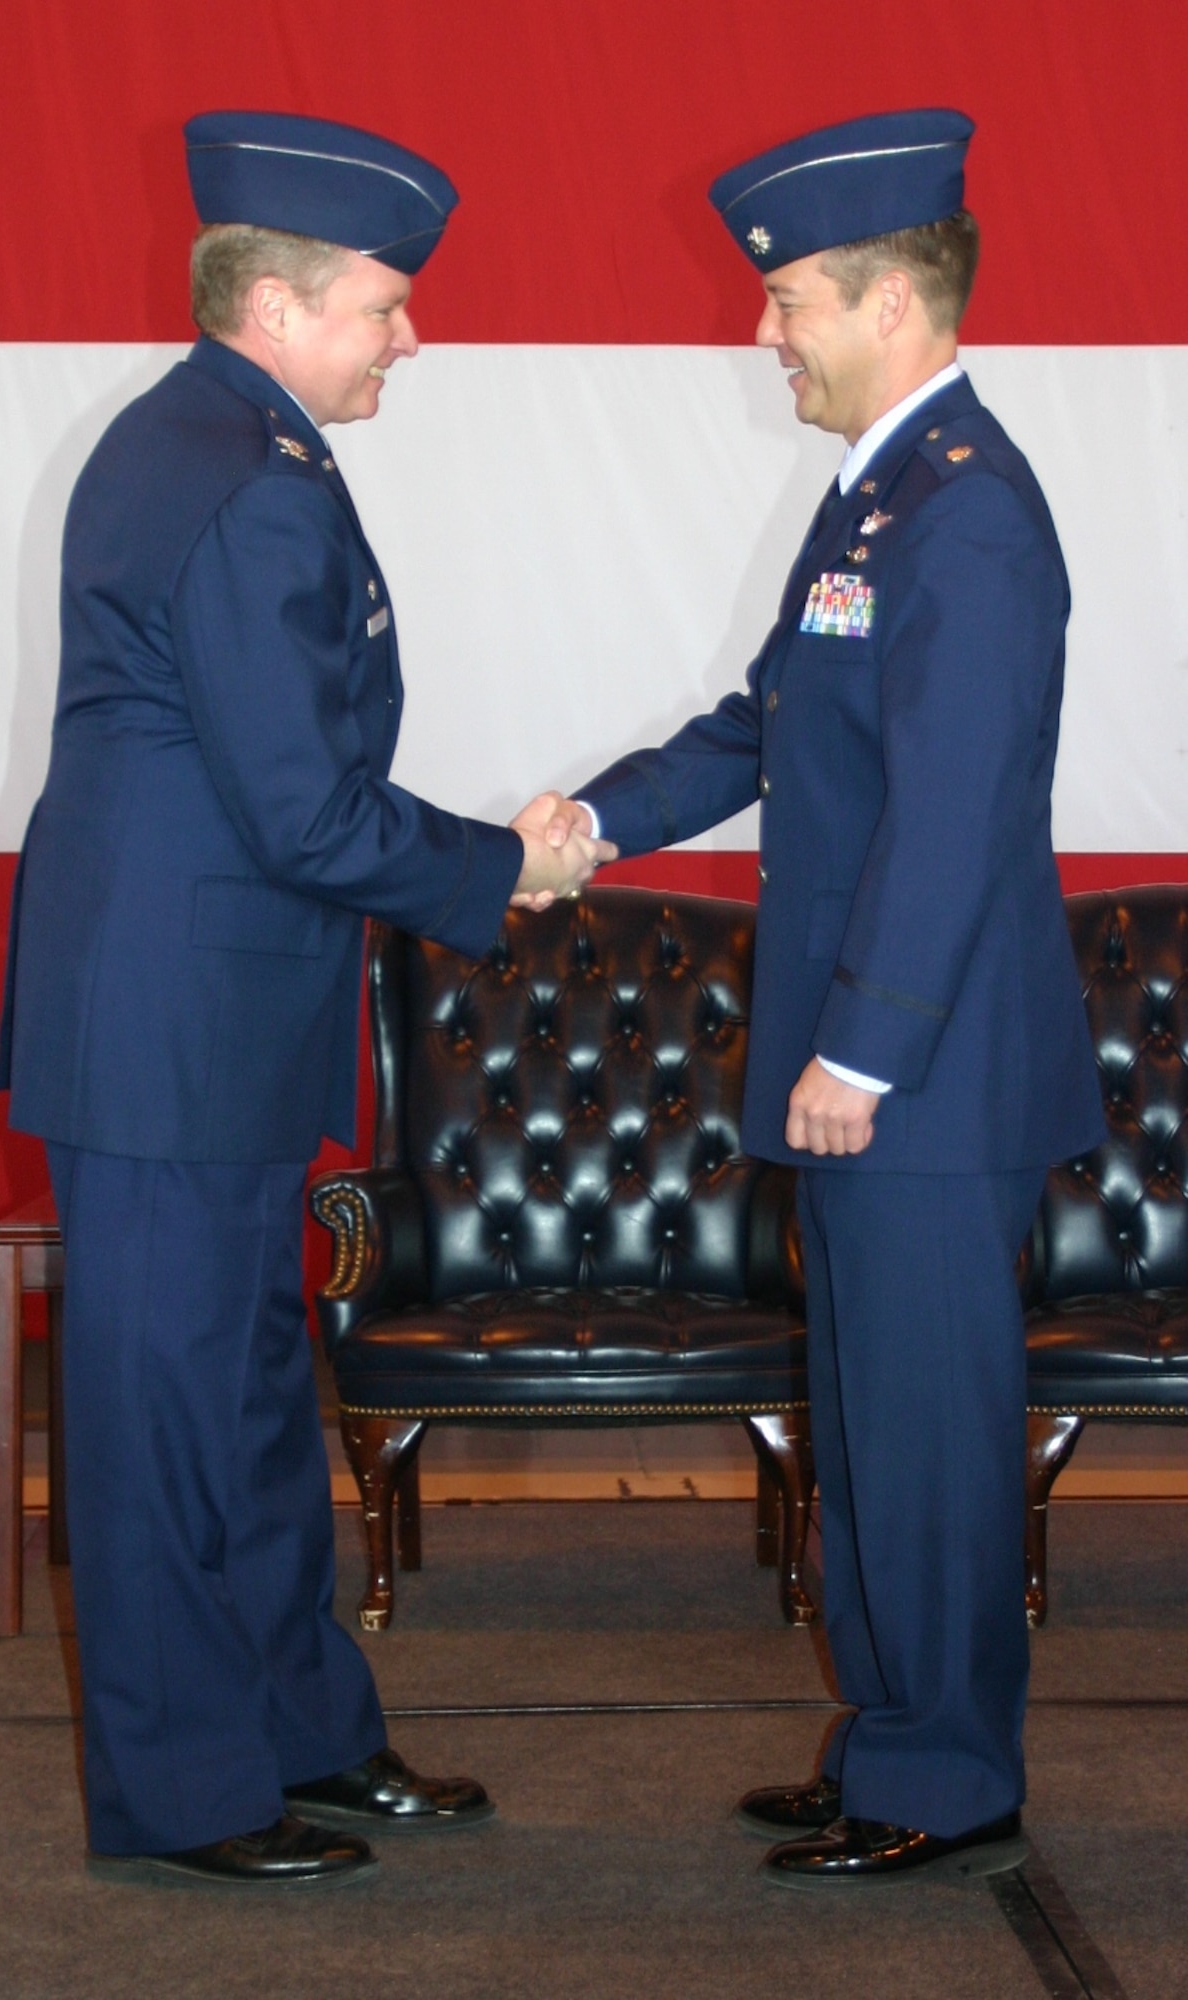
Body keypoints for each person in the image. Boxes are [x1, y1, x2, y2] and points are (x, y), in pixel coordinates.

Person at [0, 109, 610, 1890]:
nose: (409, 339)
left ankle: (302, 1735)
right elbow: (305, 807)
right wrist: (507, 868)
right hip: (175, 1027)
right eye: (386, 308)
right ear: (278, 302)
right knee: (173, 1414)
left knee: (252, 1394)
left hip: (207, 1014)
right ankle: (191, 1793)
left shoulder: (218, 438)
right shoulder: (241, 470)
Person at [525, 108, 1104, 1887]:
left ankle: (946, 1774)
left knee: (926, 1427)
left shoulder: (970, 518)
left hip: (920, 1073)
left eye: (784, 300)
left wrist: (860, 1043)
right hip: (883, 1067)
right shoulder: (881, 498)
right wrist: (595, 818)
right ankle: (889, 1740)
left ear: (889, 303)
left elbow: (950, 815)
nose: (762, 332)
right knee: (869, 1417)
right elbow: (763, 729)